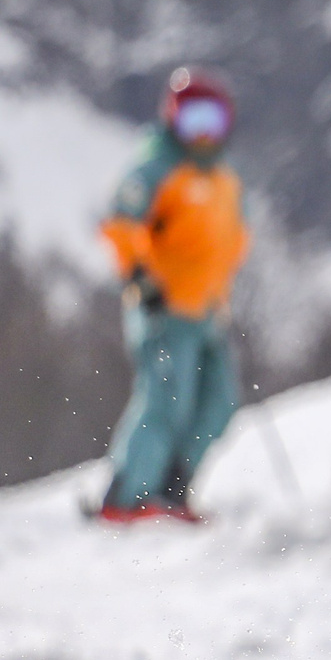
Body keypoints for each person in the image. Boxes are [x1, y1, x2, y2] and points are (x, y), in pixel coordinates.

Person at [95, 66, 250, 524]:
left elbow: (233, 241)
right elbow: (121, 223)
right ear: (173, 119)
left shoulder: (225, 179)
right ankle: (127, 494)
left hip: (207, 311)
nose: (203, 133)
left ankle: (172, 490)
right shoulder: (158, 166)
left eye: (212, 121)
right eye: (192, 120)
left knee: (219, 403)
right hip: (164, 310)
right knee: (165, 401)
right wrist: (141, 278)